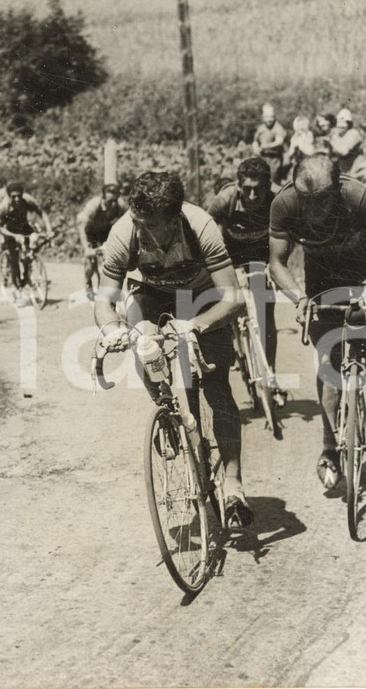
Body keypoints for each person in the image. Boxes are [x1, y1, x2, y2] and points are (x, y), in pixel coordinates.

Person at [94, 170, 252, 528]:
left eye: (149, 225)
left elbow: (234, 300)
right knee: (144, 343)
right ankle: (165, 406)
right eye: (137, 221)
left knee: (216, 384)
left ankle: (235, 485)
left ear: (174, 218)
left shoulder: (201, 226)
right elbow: (104, 302)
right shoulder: (123, 232)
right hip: (149, 293)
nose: (140, 229)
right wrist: (113, 330)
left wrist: (194, 326)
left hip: (200, 294)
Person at [268, 155, 366, 490]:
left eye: (323, 201)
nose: (316, 210)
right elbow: (276, 261)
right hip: (323, 276)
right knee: (326, 364)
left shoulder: (359, 197)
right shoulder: (285, 204)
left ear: (336, 189)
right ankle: (329, 447)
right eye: (309, 203)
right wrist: (299, 299)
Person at [206, 157, 287, 403]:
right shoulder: (225, 200)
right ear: (239, 187)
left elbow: (286, 241)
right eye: (247, 189)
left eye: (258, 189)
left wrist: (275, 268)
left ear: (268, 185)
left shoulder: (277, 201)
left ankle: (269, 373)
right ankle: (232, 338)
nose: (253, 196)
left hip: (263, 255)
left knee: (266, 312)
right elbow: (204, 233)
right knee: (228, 304)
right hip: (230, 255)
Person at [0, 182, 53, 306]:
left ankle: (28, 268)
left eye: (19, 195)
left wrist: (49, 229)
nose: (17, 199)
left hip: (24, 227)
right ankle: (16, 286)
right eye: (14, 196)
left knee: (33, 242)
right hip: (9, 231)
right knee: (14, 258)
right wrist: (14, 236)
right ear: (9, 196)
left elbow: (41, 213)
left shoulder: (28, 200)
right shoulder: (3, 206)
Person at [77, 183, 127, 301]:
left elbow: (128, 224)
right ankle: (88, 282)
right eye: (110, 201)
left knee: (109, 262)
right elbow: (81, 226)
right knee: (90, 264)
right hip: (91, 233)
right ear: (103, 198)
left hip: (106, 233)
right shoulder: (94, 205)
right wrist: (86, 249)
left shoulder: (120, 206)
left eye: (115, 200)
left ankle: (105, 289)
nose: (112, 204)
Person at [252, 103, 287, 188]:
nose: (269, 119)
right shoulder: (261, 128)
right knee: (258, 179)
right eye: (267, 117)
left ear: (274, 116)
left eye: (271, 117)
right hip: (262, 157)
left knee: (272, 181)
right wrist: (255, 147)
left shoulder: (278, 127)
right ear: (263, 117)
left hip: (274, 159)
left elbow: (279, 141)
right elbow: (255, 141)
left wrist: (267, 146)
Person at [329, 108, 365, 175]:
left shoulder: (353, 133)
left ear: (348, 123)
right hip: (344, 168)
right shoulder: (341, 134)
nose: (340, 127)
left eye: (343, 123)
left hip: (354, 169)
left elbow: (344, 151)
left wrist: (332, 140)